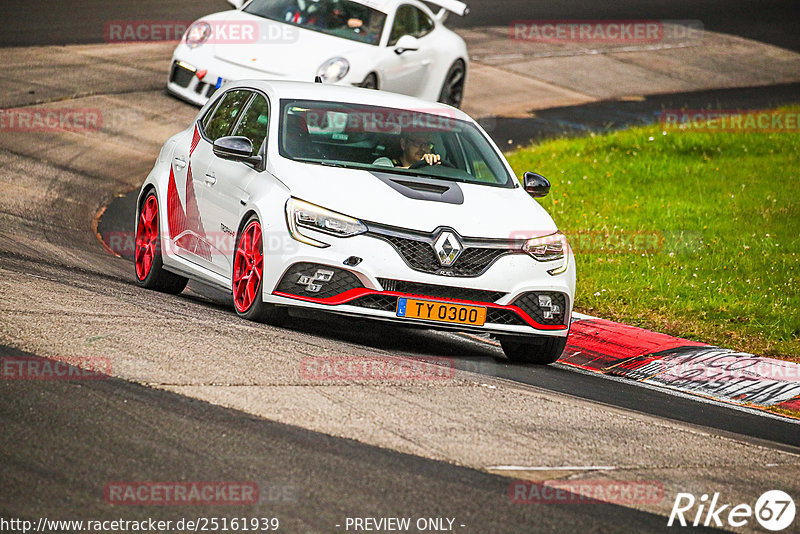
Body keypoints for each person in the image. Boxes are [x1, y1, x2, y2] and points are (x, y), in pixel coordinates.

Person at [373, 132, 441, 168]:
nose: (423, 149)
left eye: (427, 144)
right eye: (418, 143)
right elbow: (378, 177)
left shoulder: (431, 167)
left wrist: (432, 167)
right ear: (404, 144)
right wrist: (421, 168)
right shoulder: (385, 162)